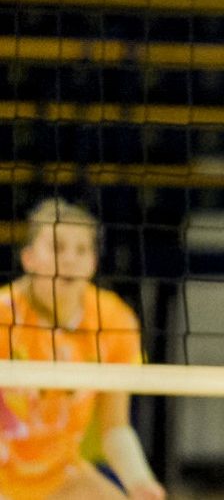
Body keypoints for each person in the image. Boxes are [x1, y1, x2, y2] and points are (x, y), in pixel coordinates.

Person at [0, 199, 165, 500]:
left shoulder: (114, 319)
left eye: (81, 250)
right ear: (28, 258)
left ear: (93, 263)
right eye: (57, 247)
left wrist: (140, 483)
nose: (70, 260)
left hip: (61, 477)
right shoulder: (4, 316)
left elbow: (115, 427)